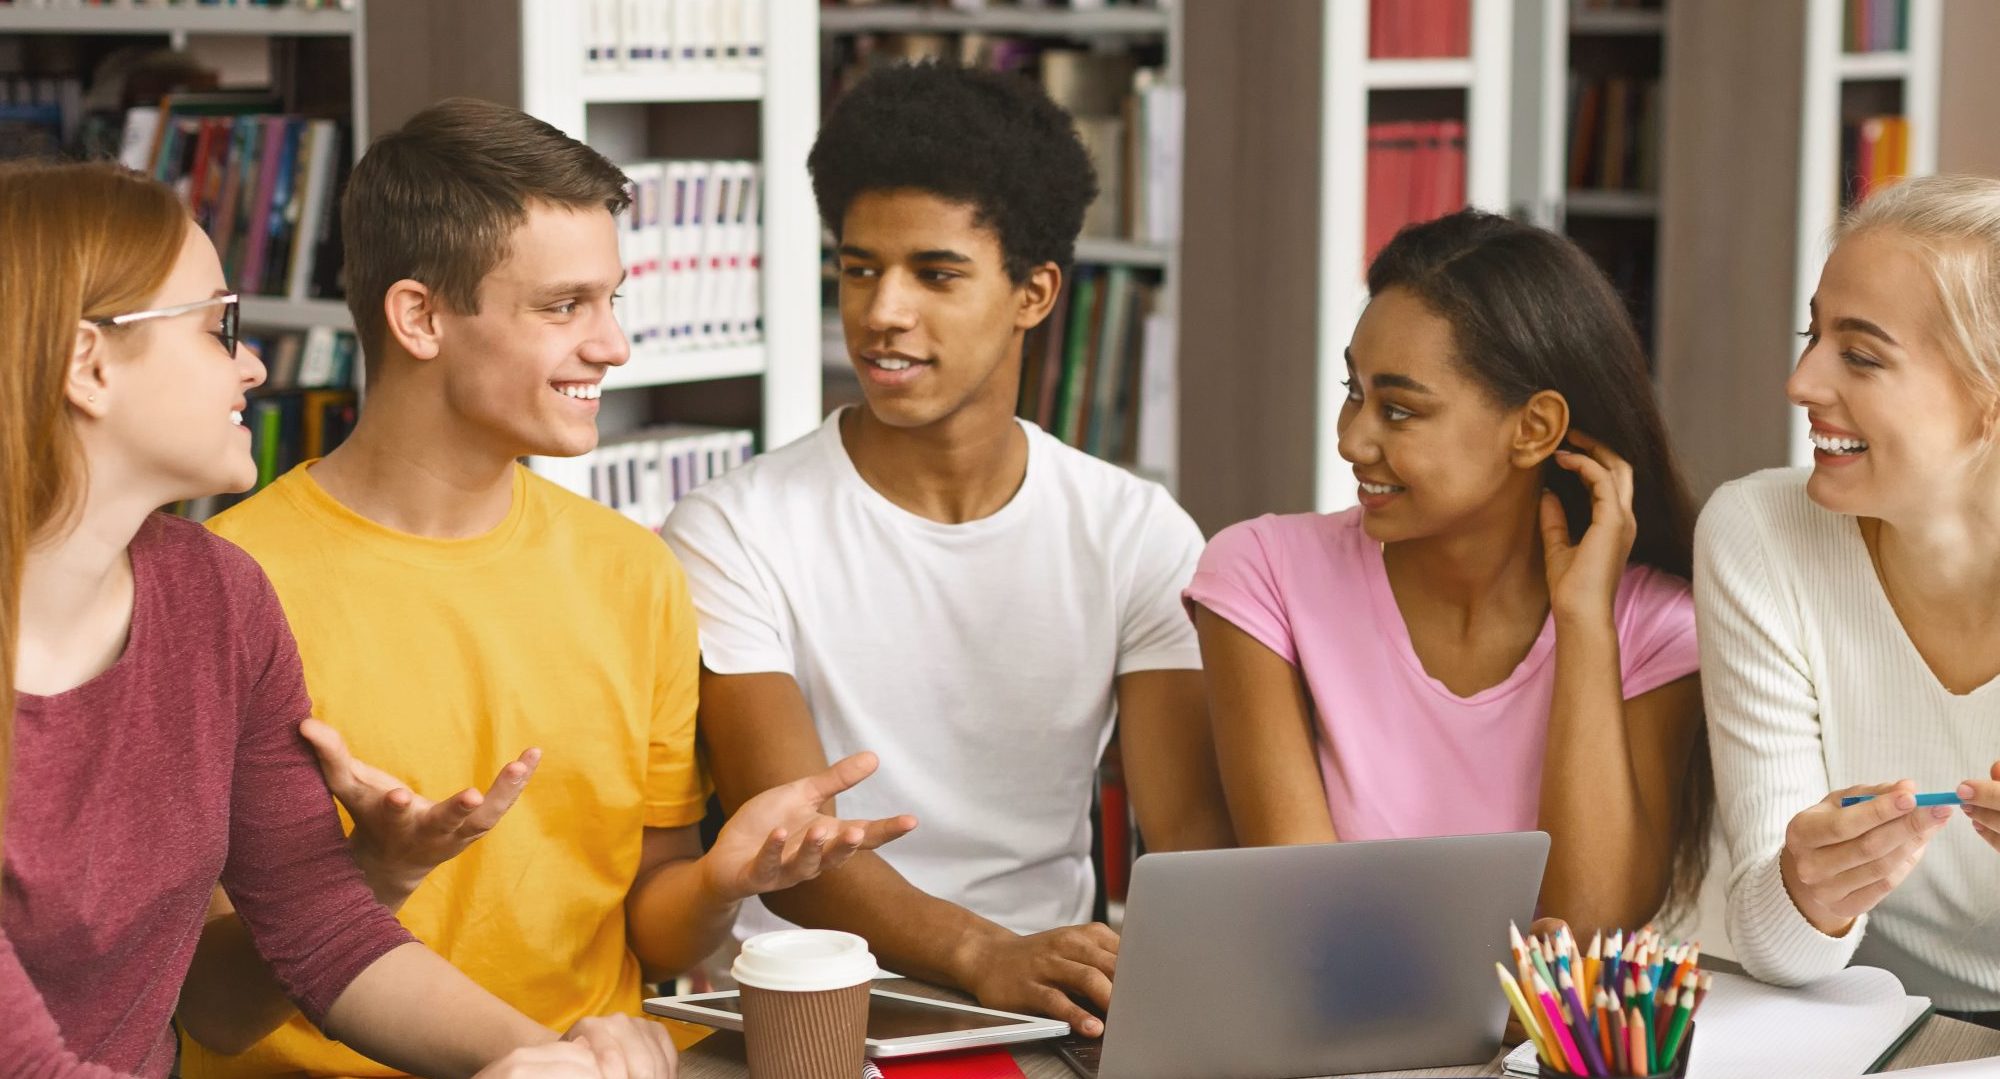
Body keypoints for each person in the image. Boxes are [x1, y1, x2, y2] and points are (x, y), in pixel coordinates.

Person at [176, 98, 912, 1078]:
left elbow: (656, 931)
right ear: (420, 316)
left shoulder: (634, 571)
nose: (613, 345)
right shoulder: (228, 587)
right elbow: (209, 995)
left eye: (611, 300)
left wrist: (719, 882)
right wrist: (371, 874)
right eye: (564, 306)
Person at [0, 158, 673, 1077]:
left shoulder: (217, 597)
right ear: (88, 364)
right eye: (215, 327)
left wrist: (562, 1060)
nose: (253, 361)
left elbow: (317, 923)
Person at [662, 62, 1231, 1037]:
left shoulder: (1135, 532)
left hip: (1055, 1004)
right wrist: (979, 950)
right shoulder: (731, 527)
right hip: (811, 1003)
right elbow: (788, 844)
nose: (882, 311)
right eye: (857, 267)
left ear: (1034, 292)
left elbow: (1185, 838)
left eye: (934, 274)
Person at [1188, 210, 1710, 935]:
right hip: (1339, 1045)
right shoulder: (1260, 578)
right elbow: (1312, 920)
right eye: (1354, 392)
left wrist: (1586, 625)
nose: (1351, 440)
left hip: (1540, 1054)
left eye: (1398, 410)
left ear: (1533, 429)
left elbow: (1585, 927)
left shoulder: (1656, 628)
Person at [1699, 174, 2000, 1024]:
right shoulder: (1758, 534)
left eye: (1860, 355)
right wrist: (1808, 890)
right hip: (1871, 1029)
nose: (1801, 382)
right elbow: (1775, 948)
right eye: (1814, 336)